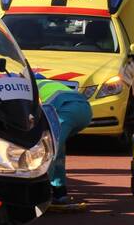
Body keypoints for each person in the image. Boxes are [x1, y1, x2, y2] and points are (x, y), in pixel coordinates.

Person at [36, 76, 93, 209]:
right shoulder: (47, 83)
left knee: (49, 152)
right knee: (58, 150)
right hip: (85, 111)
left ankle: (41, 194)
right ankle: (59, 191)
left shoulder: (28, 87)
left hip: (65, 111)